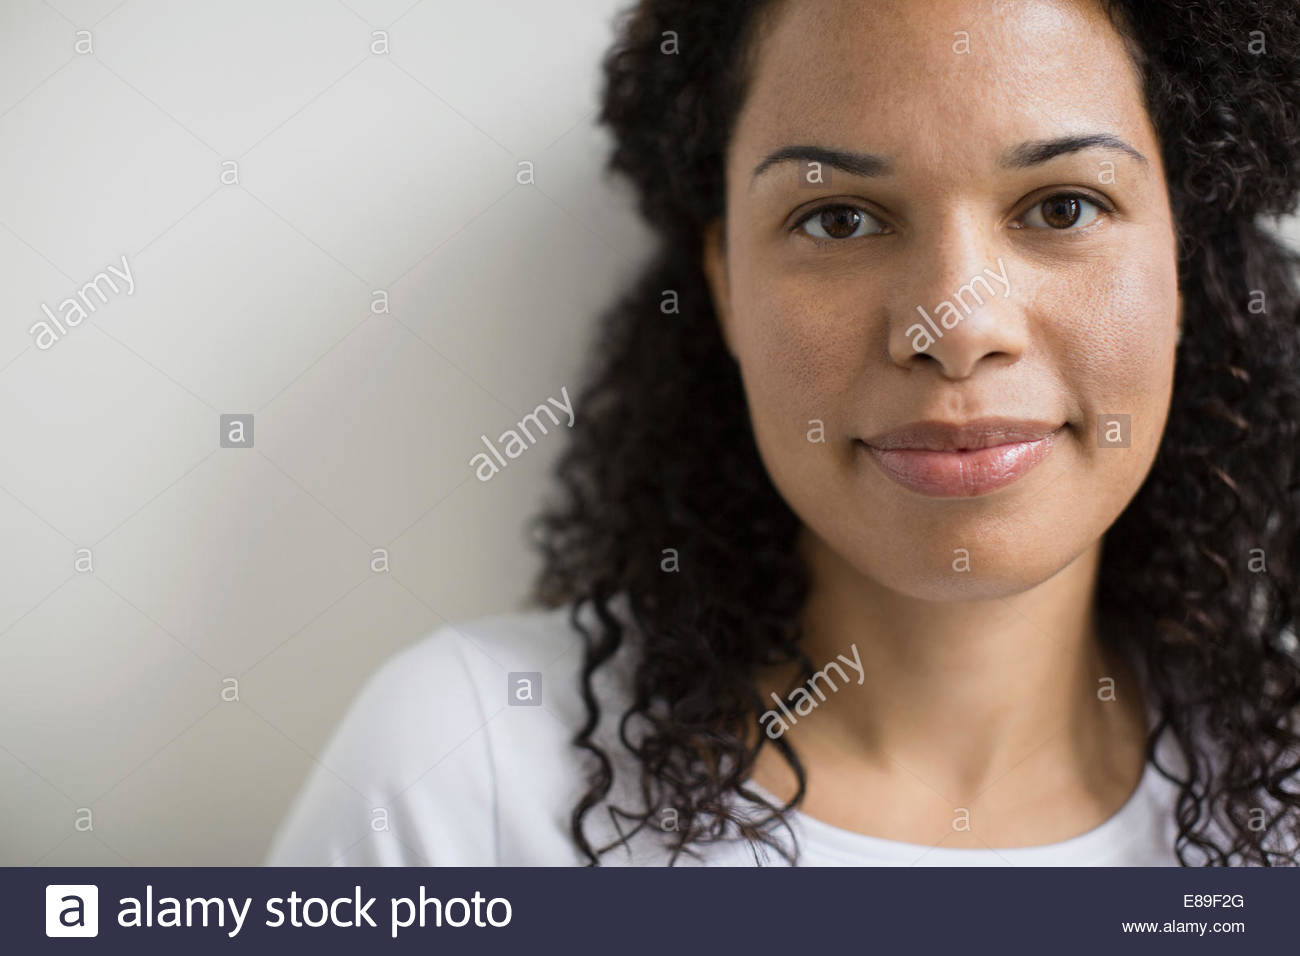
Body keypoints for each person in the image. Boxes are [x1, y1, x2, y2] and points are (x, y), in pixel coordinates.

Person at [266, 0, 1300, 867]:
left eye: (1063, 206)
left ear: (1184, 267)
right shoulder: (465, 784)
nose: (955, 327)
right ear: (722, 281)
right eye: (838, 219)